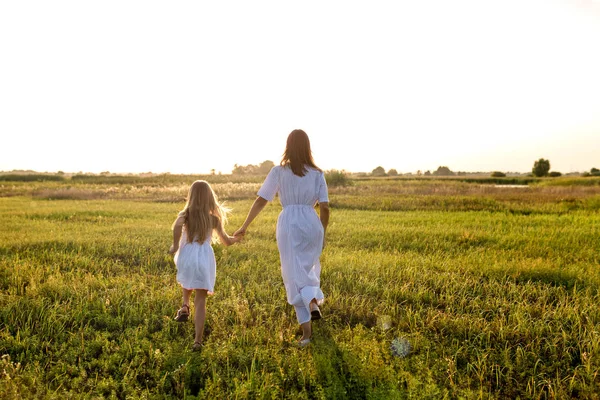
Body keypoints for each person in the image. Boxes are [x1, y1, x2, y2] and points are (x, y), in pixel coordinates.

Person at [235, 129, 330, 347]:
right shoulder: (318, 174)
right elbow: (325, 207)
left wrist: (244, 225)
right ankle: (313, 301)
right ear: (308, 147)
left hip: (289, 224)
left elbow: (262, 200)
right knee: (309, 268)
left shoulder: (279, 172)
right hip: (312, 223)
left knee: (293, 274)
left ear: (288, 146)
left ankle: (307, 332)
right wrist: (322, 232)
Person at [168, 180, 242, 351]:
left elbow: (178, 226)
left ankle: (185, 305)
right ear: (210, 197)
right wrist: (237, 238)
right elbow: (226, 241)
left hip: (186, 255)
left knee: (187, 280)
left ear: (191, 196)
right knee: (201, 301)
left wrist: (175, 245)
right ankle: (197, 341)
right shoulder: (213, 219)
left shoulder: (185, 214)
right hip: (204, 257)